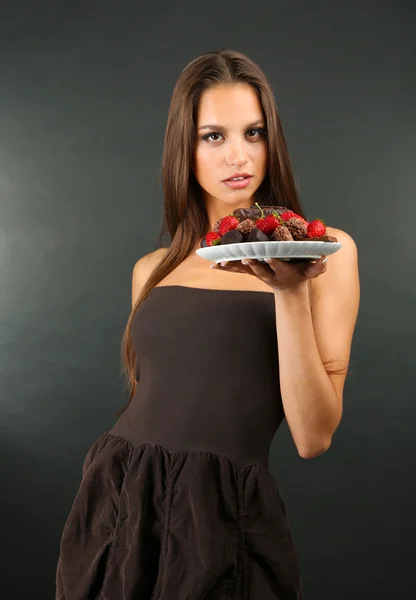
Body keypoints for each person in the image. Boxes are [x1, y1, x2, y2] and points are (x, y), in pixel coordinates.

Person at [55, 49, 360, 599]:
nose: (238, 156)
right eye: (213, 136)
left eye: (254, 132)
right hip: (117, 497)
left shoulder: (323, 252)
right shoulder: (154, 268)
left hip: (220, 512)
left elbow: (314, 437)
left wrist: (290, 292)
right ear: (185, 147)